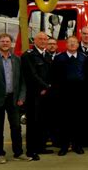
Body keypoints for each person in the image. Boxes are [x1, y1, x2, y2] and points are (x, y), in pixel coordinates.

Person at [0, 33, 31, 164]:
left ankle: (18, 152)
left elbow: (22, 81)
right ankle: (0, 154)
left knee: (16, 127)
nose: (5, 43)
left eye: (7, 41)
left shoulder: (17, 59)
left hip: (13, 99)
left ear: (11, 43)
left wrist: (21, 97)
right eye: (2, 41)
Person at [21, 32, 54, 160]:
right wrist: (45, 87)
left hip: (46, 94)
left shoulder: (47, 55)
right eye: (40, 39)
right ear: (34, 41)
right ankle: (31, 150)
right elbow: (32, 75)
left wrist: (48, 87)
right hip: (34, 94)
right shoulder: (28, 55)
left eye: (45, 39)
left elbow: (51, 74)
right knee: (33, 123)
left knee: (43, 121)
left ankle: (41, 146)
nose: (43, 41)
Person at [52, 36, 87, 156]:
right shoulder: (59, 58)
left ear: (78, 45)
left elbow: (87, 76)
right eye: (70, 42)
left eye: (75, 43)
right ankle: (64, 146)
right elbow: (54, 77)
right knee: (64, 121)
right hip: (63, 94)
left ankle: (77, 145)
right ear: (66, 44)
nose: (72, 44)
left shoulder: (83, 58)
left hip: (79, 94)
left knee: (78, 121)